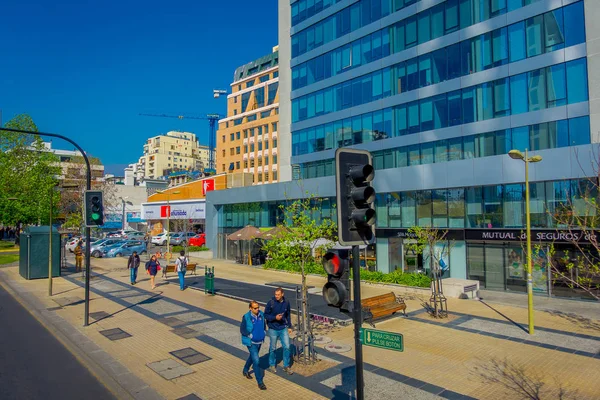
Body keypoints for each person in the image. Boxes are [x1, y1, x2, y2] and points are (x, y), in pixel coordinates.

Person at [264, 287, 293, 375]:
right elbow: (265, 315)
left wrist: (289, 326)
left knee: (287, 347)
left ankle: (286, 365)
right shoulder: (271, 302)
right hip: (273, 328)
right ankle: (272, 364)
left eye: (278, 295)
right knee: (273, 348)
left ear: (282, 294)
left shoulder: (286, 302)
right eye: (275, 294)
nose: (276, 296)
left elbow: (288, 314)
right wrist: (274, 318)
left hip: (283, 327)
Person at [241, 300, 267, 390]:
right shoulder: (246, 317)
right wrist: (249, 334)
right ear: (250, 308)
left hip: (259, 341)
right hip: (251, 343)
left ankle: (245, 369)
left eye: (258, 307)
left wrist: (264, 331)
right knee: (256, 361)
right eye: (255, 308)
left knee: (252, 357)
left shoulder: (261, 315)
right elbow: (242, 330)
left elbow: (264, 324)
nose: (257, 309)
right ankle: (260, 382)